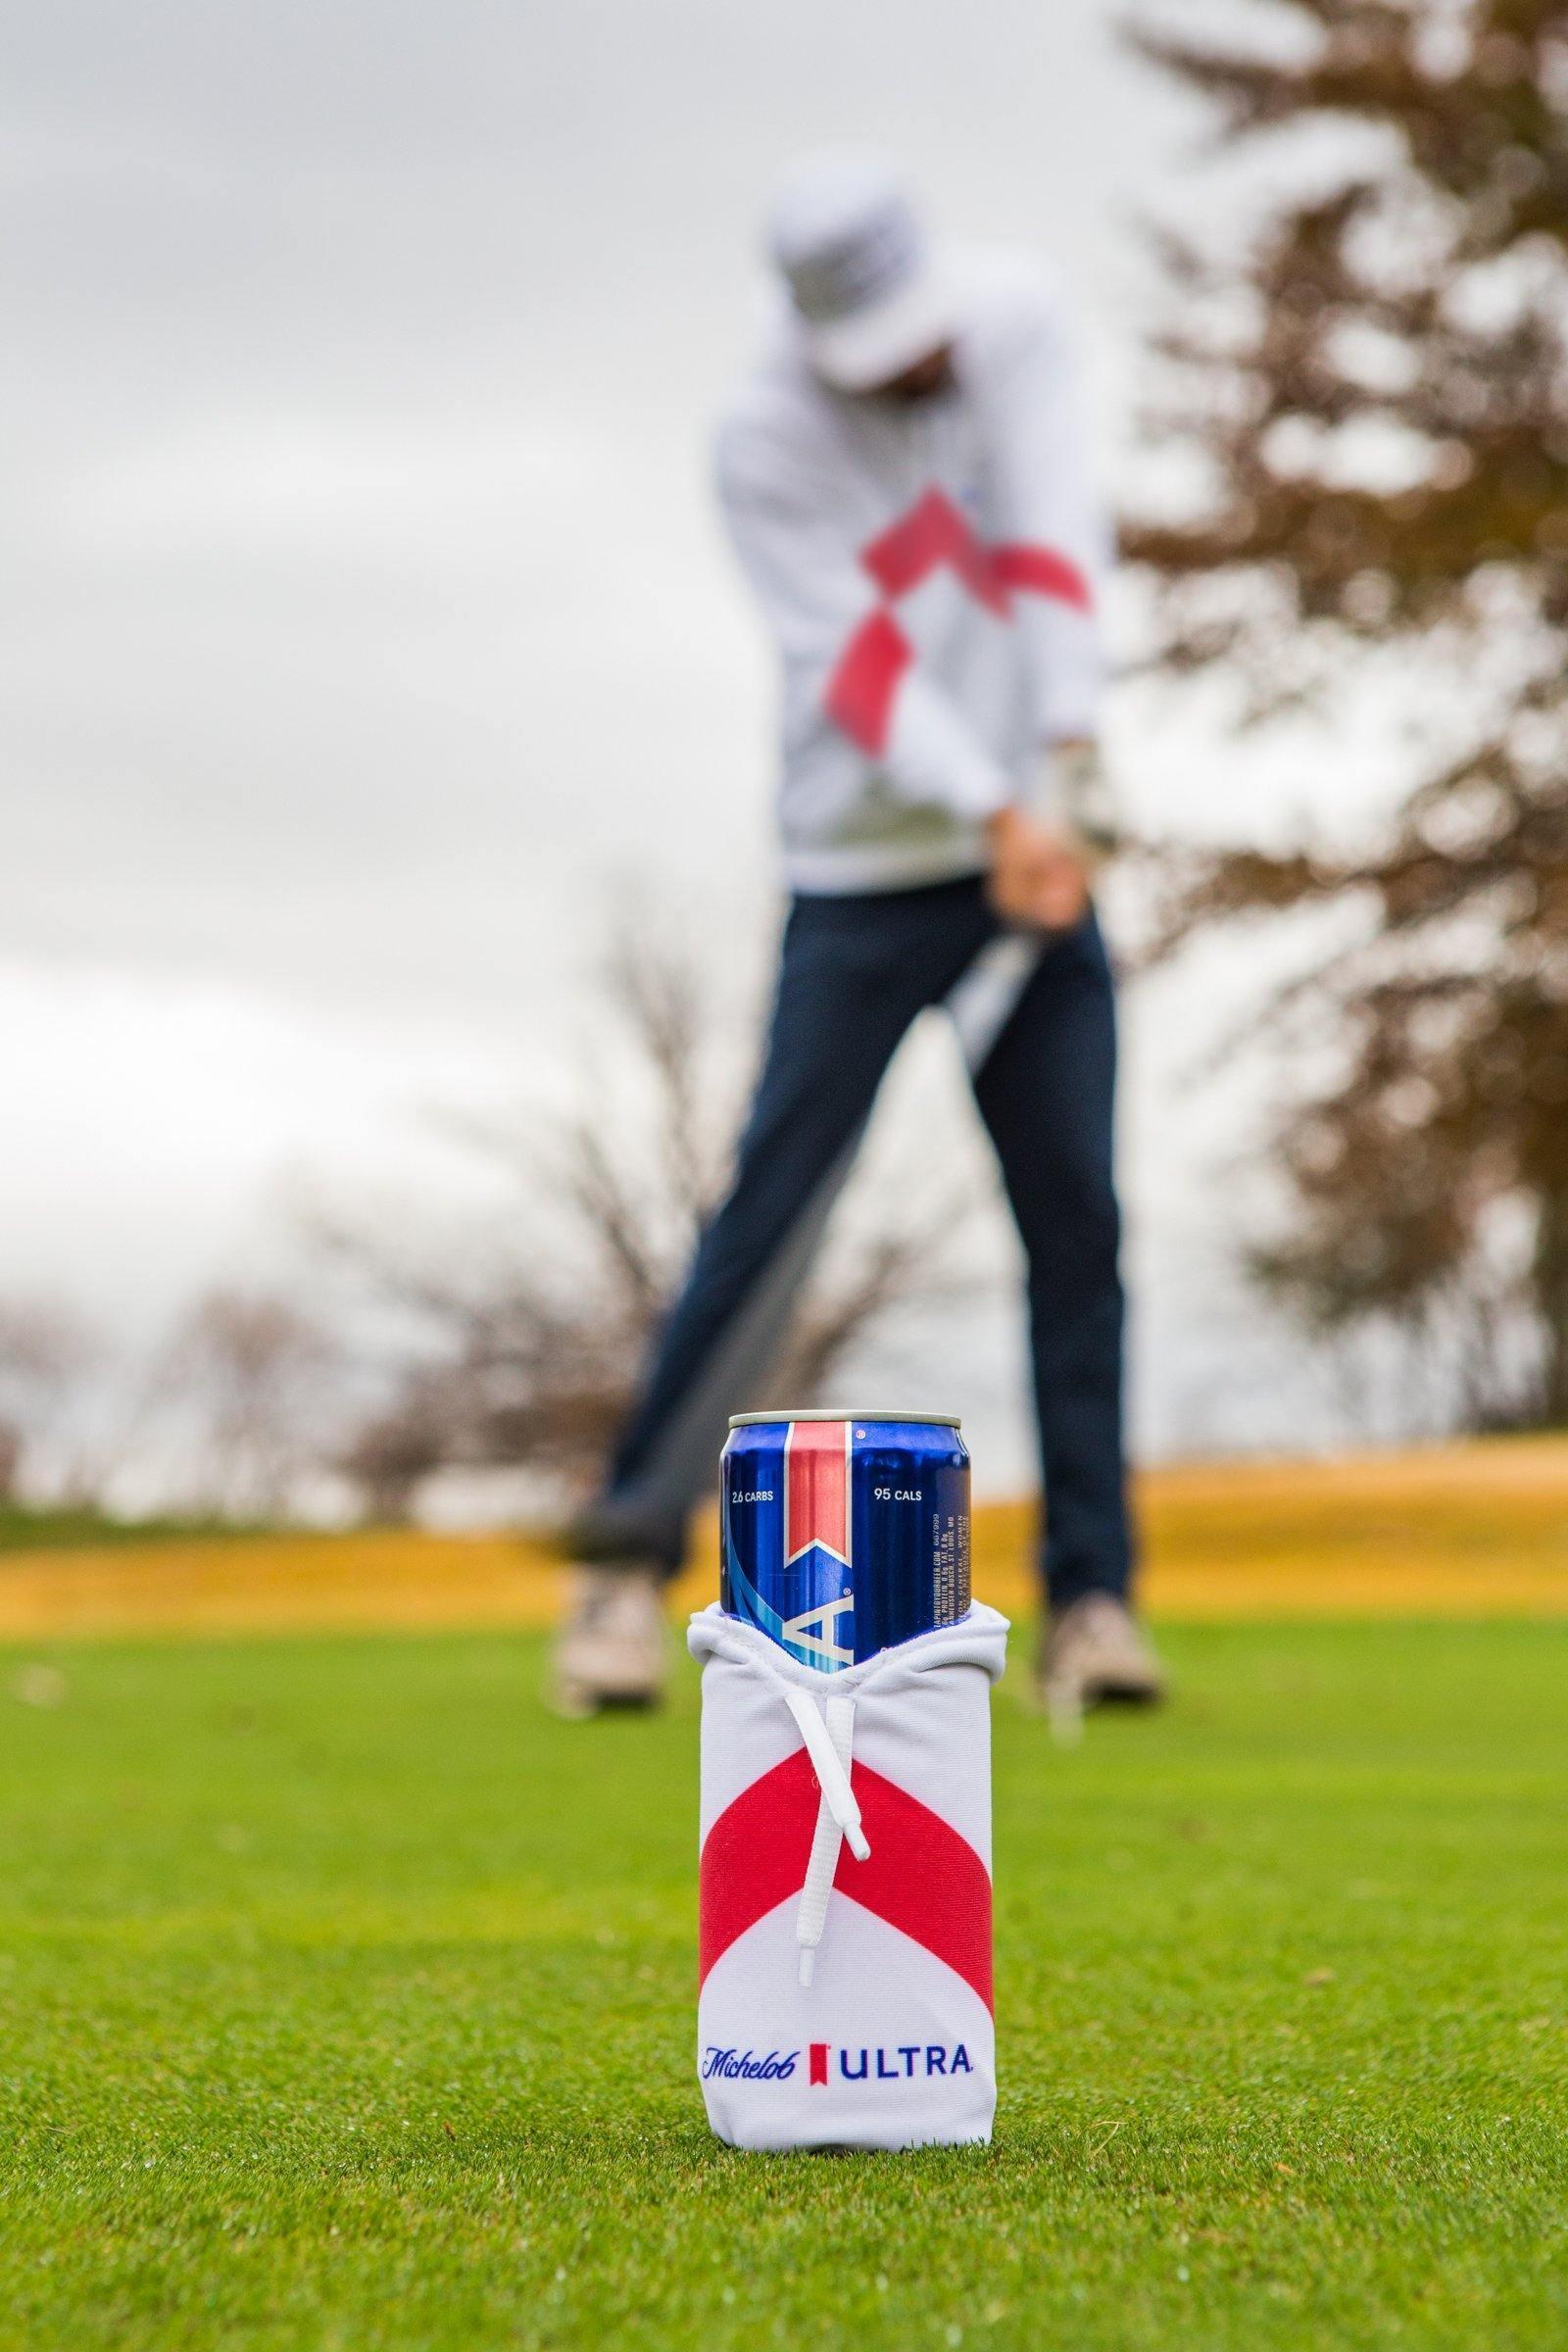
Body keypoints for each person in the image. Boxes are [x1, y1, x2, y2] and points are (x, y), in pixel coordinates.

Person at [556, 153, 1162, 1717]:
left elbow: (1048, 544)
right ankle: (622, 1572)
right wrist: (993, 808)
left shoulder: (1017, 323)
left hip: (1031, 849)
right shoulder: (765, 440)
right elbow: (855, 667)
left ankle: (1093, 1602)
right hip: (865, 861)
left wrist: (1070, 772)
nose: (915, 368)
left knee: (1078, 1217)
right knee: (775, 1204)